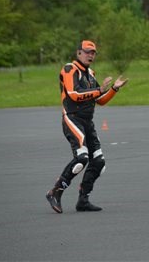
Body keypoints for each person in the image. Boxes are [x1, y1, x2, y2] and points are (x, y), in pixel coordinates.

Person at [46, 40, 128, 213]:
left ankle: (83, 200)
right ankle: (55, 192)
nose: (91, 55)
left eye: (93, 52)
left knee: (99, 162)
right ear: (79, 53)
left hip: (87, 122)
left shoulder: (91, 74)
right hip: (72, 118)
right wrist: (99, 90)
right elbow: (74, 94)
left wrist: (113, 89)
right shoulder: (69, 69)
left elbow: (100, 100)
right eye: (88, 51)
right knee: (82, 158)